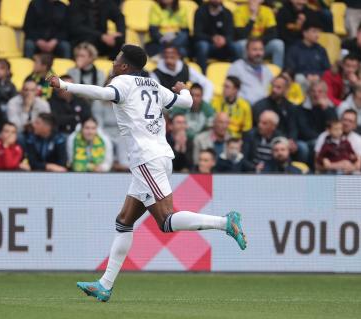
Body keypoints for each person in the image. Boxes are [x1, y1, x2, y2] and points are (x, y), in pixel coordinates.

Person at [48, 44, 247, 302]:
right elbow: (185, 103)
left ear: (124, 66)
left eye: (116, 60)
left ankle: (225, 223)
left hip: (146, 159)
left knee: (165, 220)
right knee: (124, 220)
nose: (112, 64)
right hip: (159, 156)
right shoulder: (153, 84)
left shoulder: (123, 82)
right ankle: (105, 284)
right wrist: (184, 90)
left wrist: (65, 86)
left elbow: (101, 93)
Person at [233, 0, 284, 67]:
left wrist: (259, 43)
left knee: (278, 44)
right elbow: (241, 35)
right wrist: (253, 17)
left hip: (262, 44)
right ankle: (246, 71)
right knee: (243, 43)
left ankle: (277, 72)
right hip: (245, 44)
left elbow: (273, 33)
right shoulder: (239, 10)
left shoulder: (267, 11)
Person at [285, 21, 330, 93]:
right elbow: (291, 69)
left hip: (318, 79)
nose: (317, 35)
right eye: (314, 32)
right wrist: (306, 75)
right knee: (299, 78)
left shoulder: (321, 50)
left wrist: (318, 75)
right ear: (305, 33)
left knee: (327, 79)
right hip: (303, 79)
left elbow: (327, 69)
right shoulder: (294, 49)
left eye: (318, 32)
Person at [314, 109, 361, 174]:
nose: (346, 123)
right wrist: (337, 165)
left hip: (348, 173)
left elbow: (358, 166)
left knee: (357, 174)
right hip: (328, 172)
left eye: (350, 121)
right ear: (340, 120)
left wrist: (348, 164)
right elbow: (316, 165)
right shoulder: (325, 136)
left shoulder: (356, 140)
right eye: (344, 119)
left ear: (355, 125)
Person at [227, 37, 274, 105]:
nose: (258, 53)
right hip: (246, 107)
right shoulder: (237, 67)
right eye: (255, 50)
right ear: (247, 51)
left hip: (265, 107)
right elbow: (231, 90)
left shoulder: (266, 69)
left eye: (261, 50)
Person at [194, 0, 237, 72]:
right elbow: (197, 33)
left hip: (224, 44)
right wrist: (212, 38)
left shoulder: (227, 12)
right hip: (208, 43)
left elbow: (231, 33)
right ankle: (203, 75)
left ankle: (235, 74)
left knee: (237, 47)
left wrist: (225, 39)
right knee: (202, 46)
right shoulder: (200, 11)